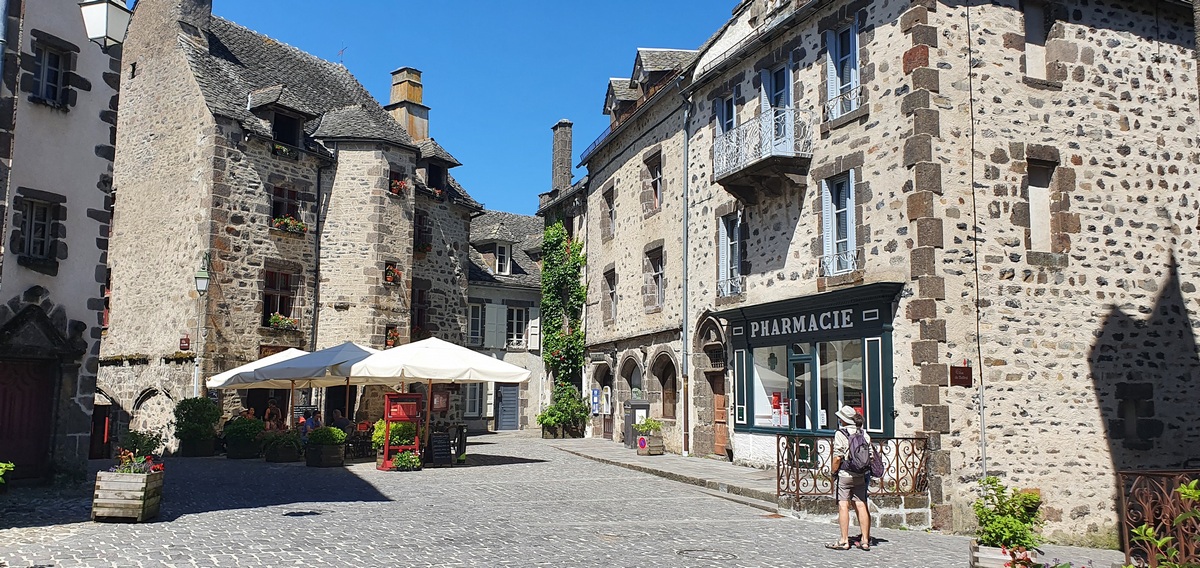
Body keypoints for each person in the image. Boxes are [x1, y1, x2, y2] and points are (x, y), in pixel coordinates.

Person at [826, 405, 872, 552]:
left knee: (843, 505)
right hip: (860, 474)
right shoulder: (864, 433)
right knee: (861, 504)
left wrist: (833, 472)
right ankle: (865, 540)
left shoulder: (841, 434)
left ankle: (844, 540)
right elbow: (869, 455)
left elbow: (837, 457)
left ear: (843, 420)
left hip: (845, 474)